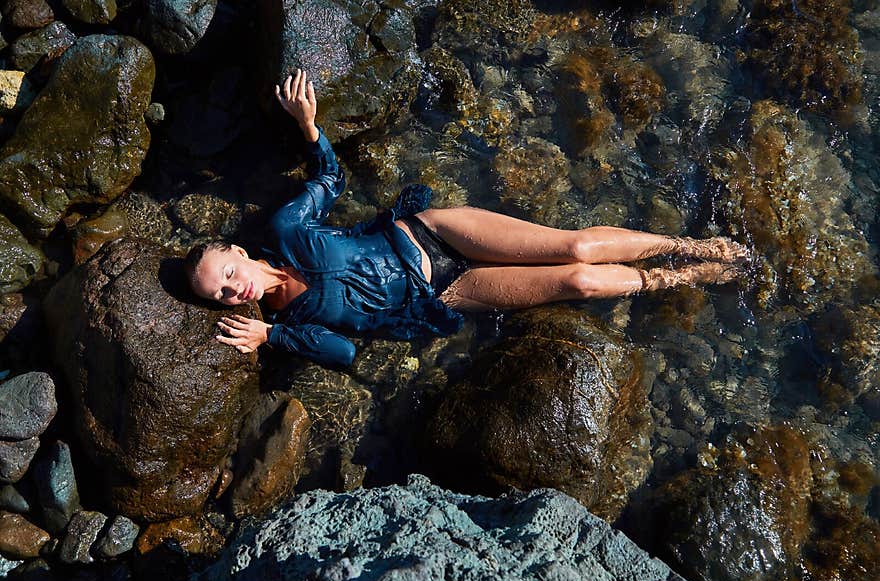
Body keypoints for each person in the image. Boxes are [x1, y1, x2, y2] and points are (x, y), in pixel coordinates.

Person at [185, 69, 748, 368]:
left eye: (226, 275)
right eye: (221, 296)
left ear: (236, 254)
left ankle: (689, 242)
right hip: (443, 292)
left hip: (430, 231)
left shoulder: (285, 230)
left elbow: (328, 182)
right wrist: (273, 336)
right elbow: (345, 353)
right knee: (577, 281)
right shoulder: (289, 320)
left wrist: (309, 127)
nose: (233, 292)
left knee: (576, 247)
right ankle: (678, 276)